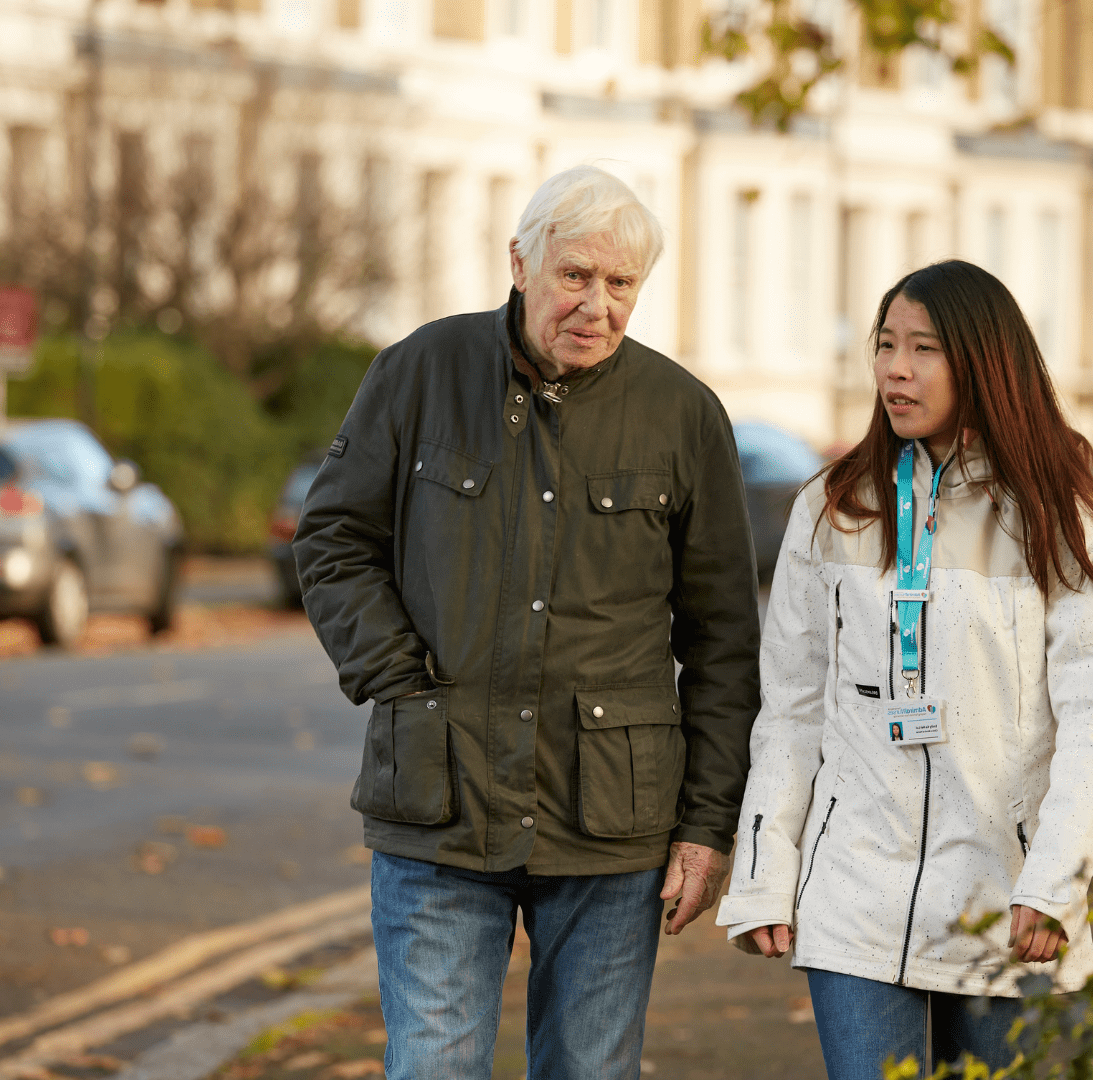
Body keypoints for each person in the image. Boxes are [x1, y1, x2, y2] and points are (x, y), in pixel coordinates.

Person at [294, 165, 762, 1080]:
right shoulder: (419, 371)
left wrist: (708, 826)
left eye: (621, 284)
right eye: (575, 276)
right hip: (438, 805)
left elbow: (723, 640)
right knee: (432, 1066)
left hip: (611, 825)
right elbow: (332, 541)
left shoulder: (684, 415)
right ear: (521, 263)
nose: (596, 305)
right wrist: (397, 680)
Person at [716, 259, 1093, 1078]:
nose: (895, 370)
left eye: (924, 349)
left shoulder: (1059, 517)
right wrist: (767, 874)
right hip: (853, 903)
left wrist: (1055, 882)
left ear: (983, 362)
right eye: (884, 345)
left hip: (1005, 902)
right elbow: (793, 711)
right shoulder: (832, 505)